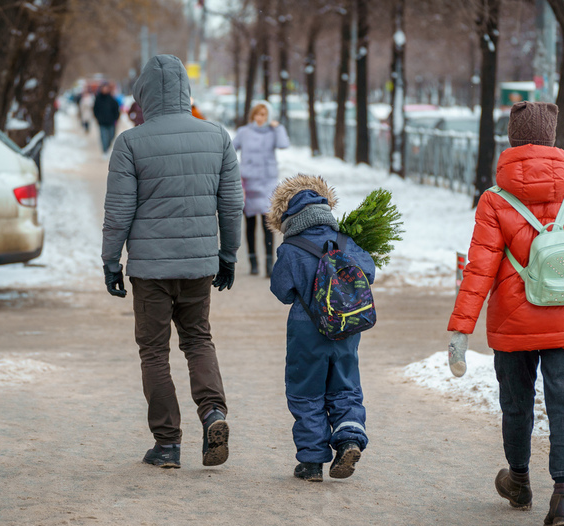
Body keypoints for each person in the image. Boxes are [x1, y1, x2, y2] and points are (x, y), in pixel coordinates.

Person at [446, 101, 564, 526]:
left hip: (513, 325)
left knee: (517, 406)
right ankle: (563, 499)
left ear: (511, 139)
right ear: (553, 139)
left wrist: (460, 330)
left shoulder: (494, 200)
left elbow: (480, 268)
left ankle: (519, 482)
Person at [101, 54, 243, 469]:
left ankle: (167, 444)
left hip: (150, 271)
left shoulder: (131, 142)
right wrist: (228, 254)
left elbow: (118, 212)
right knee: (198, 340)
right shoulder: (216, 136)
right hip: (199, 266)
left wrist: (111, 261)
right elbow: (231, 205)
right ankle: (213, 413)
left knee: (154, 353)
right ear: (185, 90)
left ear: (143, 95)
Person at [267, 174, 375, 482]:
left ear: (287, 216)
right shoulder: (346, 240)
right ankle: (350, 439)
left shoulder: (291, 248)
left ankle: (312, 462)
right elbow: (369, 273)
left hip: (307, 331)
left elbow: (283, 291)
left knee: (306, 392)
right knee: (345, 387)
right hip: (346, 327)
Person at [233, 101, 290, 277]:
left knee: (268, 224)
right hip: (249, 184)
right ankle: (253, 263)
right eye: (258, 114)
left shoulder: (273, 132)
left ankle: (269, 264)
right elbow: (230, 148)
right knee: (250, 224)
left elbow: (284, 144)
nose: (261, 118)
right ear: (253, 115)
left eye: (264, 114)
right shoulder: (244, 132)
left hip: (267, 183)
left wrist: (278, 127)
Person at [93, 82, 120, 154]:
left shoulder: (112, 99)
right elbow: (95, 109)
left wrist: (116, 118)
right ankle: (105, 151)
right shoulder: (98, 99)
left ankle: (107, 148)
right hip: (102, 122)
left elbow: (116, 110)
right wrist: (98, 118)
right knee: (104, 137)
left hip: (111, 122)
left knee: (111, 136)